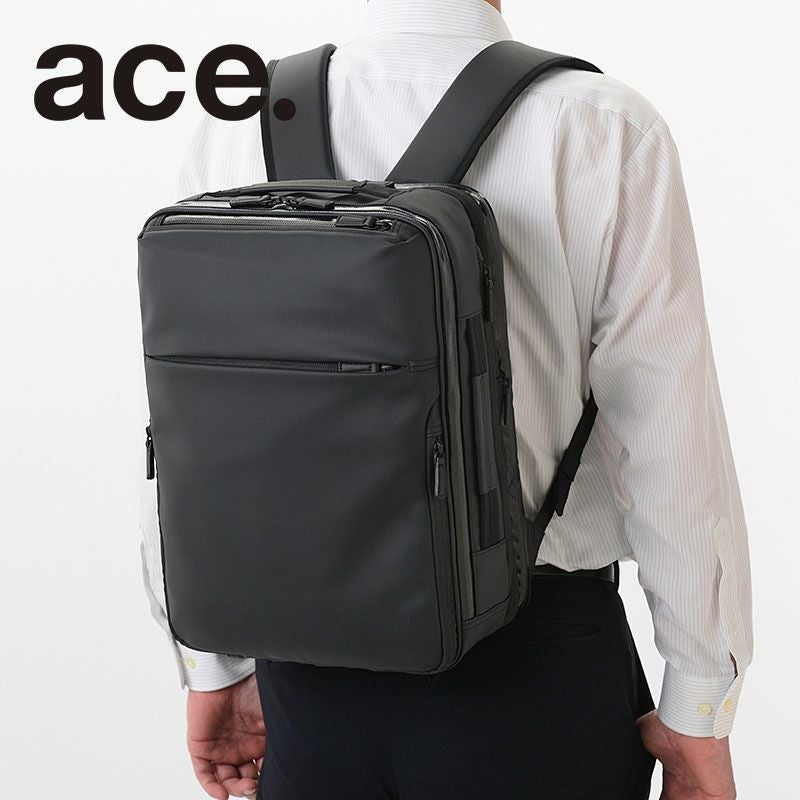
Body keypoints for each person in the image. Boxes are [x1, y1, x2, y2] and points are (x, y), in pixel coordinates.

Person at [139, 1, 753, 798]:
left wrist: (212, 667)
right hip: (533, 671)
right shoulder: (599, 126)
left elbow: (187, 426)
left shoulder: (243, 121)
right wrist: (698, 708)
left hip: (304, 680)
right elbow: (670, 443)